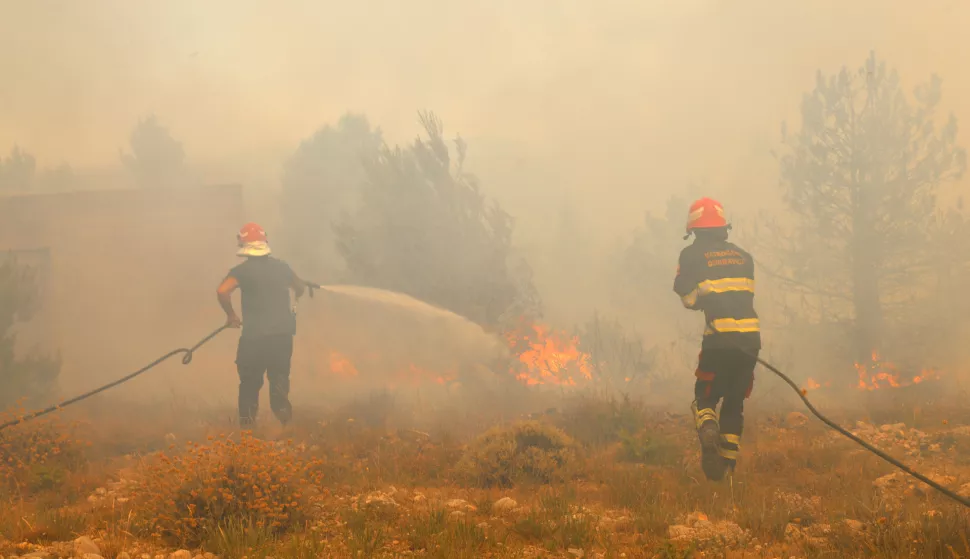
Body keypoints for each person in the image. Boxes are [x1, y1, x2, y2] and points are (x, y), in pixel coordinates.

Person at [672, 198, 761, 481]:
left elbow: (687, 297)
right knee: (735, 403)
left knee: (705, 398)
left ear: (695, 229)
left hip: (719, 340)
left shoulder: (691, 255)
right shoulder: (744, 256)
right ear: (723, 227)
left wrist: (700, 293)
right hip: (750, 340)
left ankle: (708, 428)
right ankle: (727, 470)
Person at [216, 222, 306, 428]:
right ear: (265, 243)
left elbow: (223, 291)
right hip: (281, 337)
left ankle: (248, 431)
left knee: (249, 383)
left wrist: (231, 316)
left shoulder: (241, 271)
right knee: (280, 380)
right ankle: (286, 425)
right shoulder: (282, 267)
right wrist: (298, 289)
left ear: (243, 244)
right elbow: (299, 287)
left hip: (254, 338)